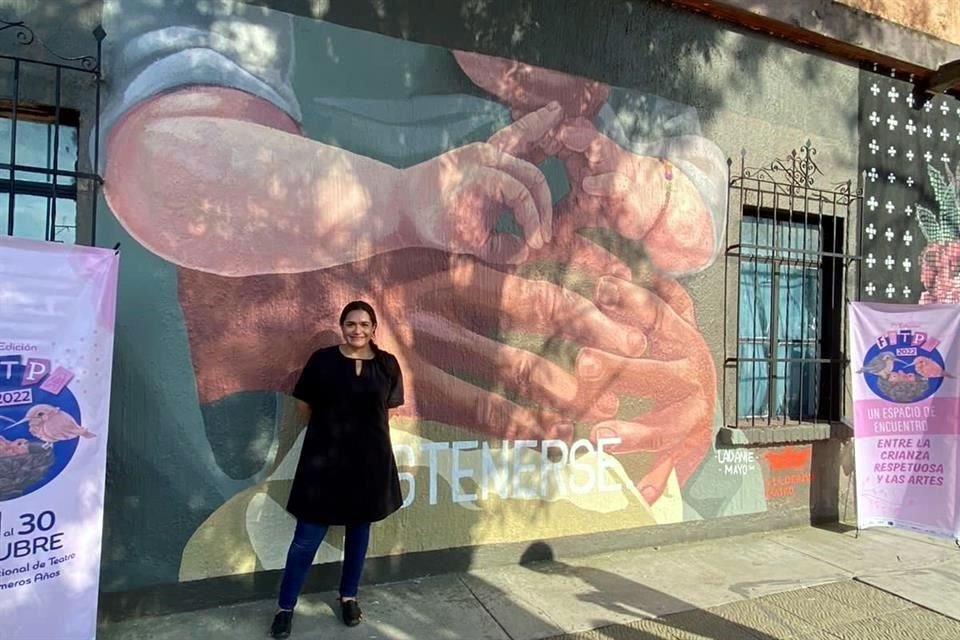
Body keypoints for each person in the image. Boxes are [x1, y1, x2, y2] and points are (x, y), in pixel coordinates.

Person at [270, 300, 404, 638]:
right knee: (306, 539)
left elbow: (385, 413)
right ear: (342, 326)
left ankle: (348, 596)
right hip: (324, 464)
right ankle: (285, 607)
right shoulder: (323, 361)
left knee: (359, 534)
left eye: (364, 324)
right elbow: (304, 406)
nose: (357, 330)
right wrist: (330, 436)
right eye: (350, 324)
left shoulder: (388, 365)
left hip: (369, 464)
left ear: (374, 328)